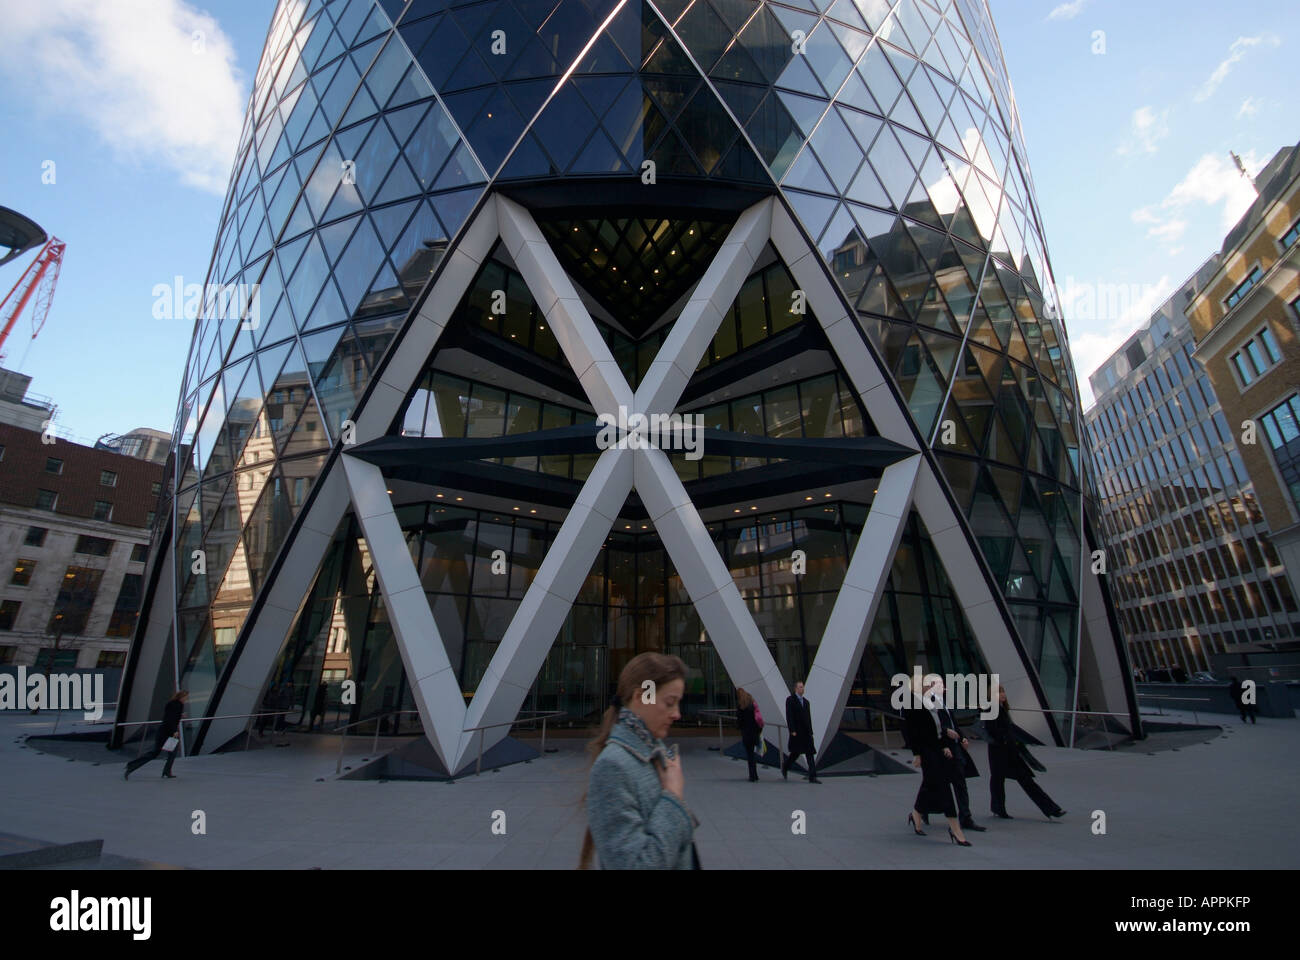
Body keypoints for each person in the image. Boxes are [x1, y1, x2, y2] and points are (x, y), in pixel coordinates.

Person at [580, 652, 699, 869]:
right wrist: (673, 797)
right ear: (641, 696)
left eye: (678, 703)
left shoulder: (654, 753)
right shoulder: (612, 767)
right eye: (670, 702)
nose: (677, 714)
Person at [900, 675, 970, 846]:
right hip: (926, 751)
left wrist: (944, 744)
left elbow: (936, 728)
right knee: (943, 786)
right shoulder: (911, 703)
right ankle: (955, 828)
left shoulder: (928, 702)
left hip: (936, 748)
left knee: (929, 785)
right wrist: (917, 754)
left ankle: (916, 813)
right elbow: (912, 731)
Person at [984, 683, 1065, 820]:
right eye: (999, 692)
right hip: (1001, 752)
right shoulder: (991, 709)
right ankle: (1050, 809)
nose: (1002, 694)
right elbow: (992, 730)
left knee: (1018, 780)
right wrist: (1005, 740)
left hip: (1008, 752)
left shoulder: (1000, 708)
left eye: (1003, 691)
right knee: (1001, 780)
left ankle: (1051, 809)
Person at [933, 679, 985, 833]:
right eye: (941, 685)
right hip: (944, 749)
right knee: (938, 784)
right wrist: (944, 736)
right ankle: (922, 811)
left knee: (959, 782)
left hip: (955, 748)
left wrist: (962, 738)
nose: (944, 688)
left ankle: (965, 817)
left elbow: (954, 723)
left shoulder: (944, 703)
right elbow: (931, 726)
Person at [124, 690, 188, 780]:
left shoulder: (172, 704)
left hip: (163, 732)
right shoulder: (178, 705)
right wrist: (174, 731)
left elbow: (170, 716)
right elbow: (170, 719)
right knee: (158, 753)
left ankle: (166, 771)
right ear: (181, 697)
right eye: (185, 697)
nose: (186, 699)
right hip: (167, 733)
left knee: (165, 753)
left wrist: (180, 716)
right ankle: (132, 766)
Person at [781, 680, 820, 783]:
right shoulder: (790, 700)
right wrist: (792, 730)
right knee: (795, 753)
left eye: (802, 687)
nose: (802, 689)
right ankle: (785, 766)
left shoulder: (806, 702)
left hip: (806, 732)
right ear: (795, 689)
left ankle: (813, 776)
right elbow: (789, 716)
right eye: (800, 687)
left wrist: (810, 731)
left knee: (810, 753)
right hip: (797, 732)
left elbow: (808, 718)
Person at [736, 687, 762, 782]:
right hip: (754, 731)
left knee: (750, 754)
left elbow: (740, 721)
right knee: (753, 754)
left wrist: (739, 727)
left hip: (746, 732)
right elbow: (758, 718)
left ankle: (752, 775)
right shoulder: (752, 704)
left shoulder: (741, 706)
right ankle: (755, 774)